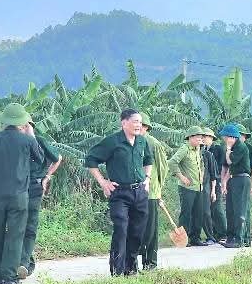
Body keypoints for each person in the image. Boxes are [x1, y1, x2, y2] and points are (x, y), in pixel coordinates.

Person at [0, 103, 44, 284]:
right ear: (22, 122)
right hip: (18, 195)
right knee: (15, 234)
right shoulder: (27, 140)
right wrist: (30, 134)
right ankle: (10, 276)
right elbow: (40, 160)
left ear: (4, 120)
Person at [86, 109, 153, 275]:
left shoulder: (142, 142)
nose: (138, 125)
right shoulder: (112, 142)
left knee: (137, 232)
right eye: (135, 121)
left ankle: (131, 268)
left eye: (140, 122)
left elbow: (148, 160)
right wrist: (103, 182)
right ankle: (117, 270)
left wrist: (148, 179)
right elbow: (91, 160)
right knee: (121, 229)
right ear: (124, 123)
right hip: (120, 194)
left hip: (140, 192)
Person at [21, 119, 61, 279]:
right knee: (17, 225)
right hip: (17, 188)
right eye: (21, 126)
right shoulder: (14, 142)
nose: (23, 128)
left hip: (35, 186)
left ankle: (24, 263)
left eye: (26, 126)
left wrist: (47, 177)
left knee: (29, 225)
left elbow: (57, 158)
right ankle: (25, 261)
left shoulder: (40, 141)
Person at [138, 113, 169, 270]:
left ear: (146, 127)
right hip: (136, 193)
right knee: (139, 228)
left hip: (151, 193)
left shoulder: (154, 144)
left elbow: (163, 169)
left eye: (141, 125)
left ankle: (151, 262)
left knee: (150, 230)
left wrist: (158, 189)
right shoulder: (133, 142)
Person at [169, 126, 206, 247]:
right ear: (191, 137)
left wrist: (202, 175)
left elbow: (201, 164)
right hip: (187, 188)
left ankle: (195, 238)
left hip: (198, 187)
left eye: (201, 137)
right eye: (198, 137)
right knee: (186, 213)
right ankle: (184, 240)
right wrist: (181, 177)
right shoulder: (185, 149)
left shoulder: (198, 150)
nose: (200, 139)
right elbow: (172, 162)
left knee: (198, 213)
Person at [219, 124, 251, 248]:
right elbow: (229, 168)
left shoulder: (241, 147)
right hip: (233, 178)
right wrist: (224, 183)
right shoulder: (233, 147)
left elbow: (230, 161)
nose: (223, 139)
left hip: (242, 179)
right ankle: (231, 237)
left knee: (240, 210)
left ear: (231, 137)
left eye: (225, 137)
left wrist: (228, 149)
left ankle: (239, 239)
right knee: (231, 209)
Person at [198, 127, 220, 244]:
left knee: (206, 212)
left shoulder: (209, 155)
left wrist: (213, 191)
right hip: (193, 187)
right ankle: (194, 237)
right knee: (195, 212)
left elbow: (213, 175)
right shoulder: (191, 153)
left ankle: (210, 236)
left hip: (206, 186)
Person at [207, 128, 227, 243]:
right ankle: (214, 233)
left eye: (206, 137)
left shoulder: (218, 149)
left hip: (217, 180)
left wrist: (221, 180)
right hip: (208, 182)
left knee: (217, 207)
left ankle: (223, 233)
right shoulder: (202, 150)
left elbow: (223, 165)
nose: (204, 139)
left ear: (211, 138)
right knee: (209, 209)